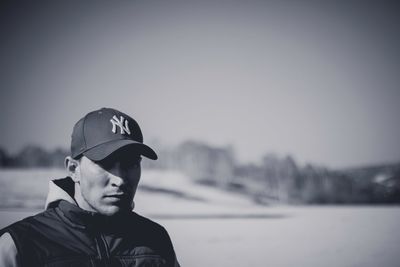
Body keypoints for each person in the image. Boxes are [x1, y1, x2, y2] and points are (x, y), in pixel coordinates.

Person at [0, 107, 180, 267]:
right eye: (106, 163)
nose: (120, 180)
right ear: (73, 169)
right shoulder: (20, 245)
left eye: (131, 163)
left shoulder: (156, 239)